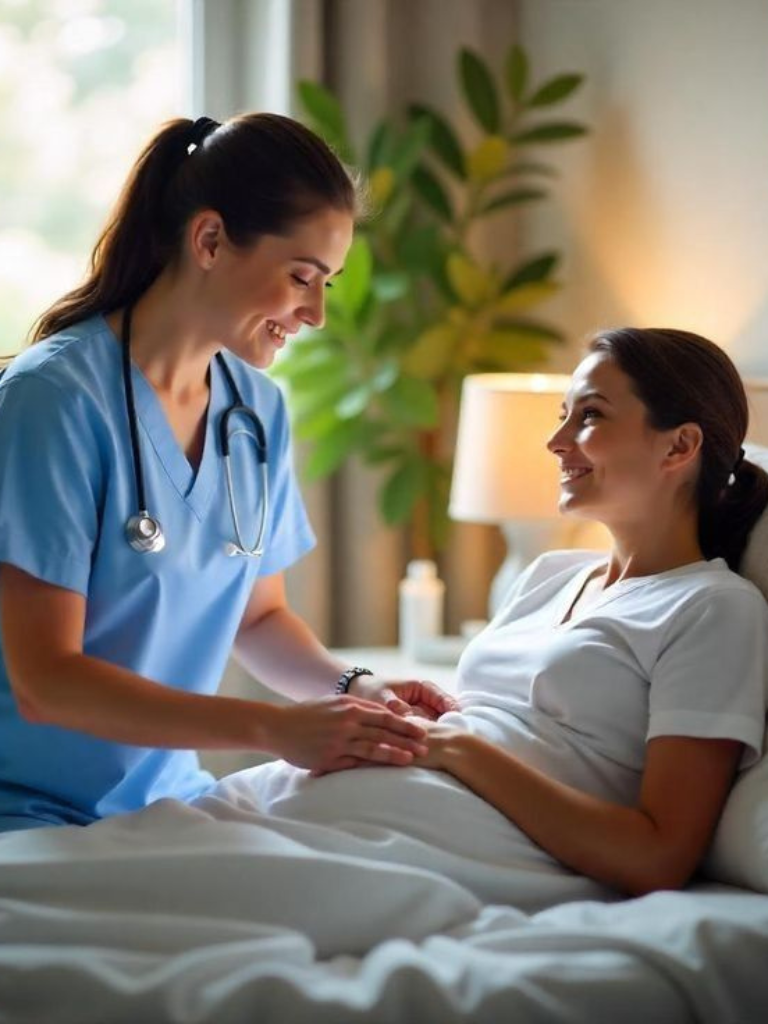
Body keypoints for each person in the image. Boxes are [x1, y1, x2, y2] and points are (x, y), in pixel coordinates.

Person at [0, 113, 458, 835]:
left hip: (169, 802)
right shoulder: (52, 402)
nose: (316, 313)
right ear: (209, 239)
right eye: (302, 277)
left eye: (328, 284)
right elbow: (45, 683)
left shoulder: (255, 409)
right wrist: (275, 730)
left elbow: (258, 615)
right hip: (29, 814)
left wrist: (356, 687)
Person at [218, 327, 768, 905]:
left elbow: (657, 857)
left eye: (590, 416)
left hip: (405, 846)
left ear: (679, 447)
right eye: (563, 414)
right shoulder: (550, 575)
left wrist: (455, 750)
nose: (556, 440)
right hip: (311, 801)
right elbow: (489, 718)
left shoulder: (715, 609)